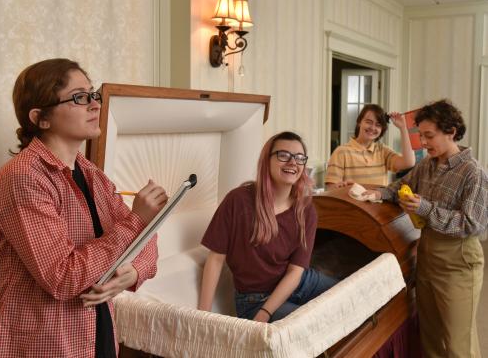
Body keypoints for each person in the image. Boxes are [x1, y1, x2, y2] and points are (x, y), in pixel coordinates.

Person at [0, 58, 168, 358]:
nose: (95, 105)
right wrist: (137, 219)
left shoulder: (92, 174)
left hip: (99, 332)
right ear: (41, 118)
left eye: (92, 94)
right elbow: (62, 276)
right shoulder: (23, 178)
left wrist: (133, 271)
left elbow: (146, 239)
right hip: (48, 344)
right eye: (79, 98)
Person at [364, 99, 487, 357]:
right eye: (421, 135)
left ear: (451, 131)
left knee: (457, 344)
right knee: (429, 338)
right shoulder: (427, 164)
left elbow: (472, 224)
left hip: (458, 263)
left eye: (429, 136)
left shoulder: (473, 172)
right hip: (428, 258)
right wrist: (378, 195)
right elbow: (401, 185)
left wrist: (425, 208)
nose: (423, 143)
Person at [198, 131, 338, 322]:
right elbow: (215, 259)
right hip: (254, 300)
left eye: (299, 158)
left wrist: (267, 313)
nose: (292, 162)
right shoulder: (238, 200)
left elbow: (295, 271)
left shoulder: (306, 209)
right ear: (267, 160)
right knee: (313, 324)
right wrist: (201, 316)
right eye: (283, 155)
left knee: (352, 295)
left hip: (299, 283)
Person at [325, 104, 415, 189]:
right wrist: (341, 187)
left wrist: (403, 128)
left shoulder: (383, 151)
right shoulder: (341, 152)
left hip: (379, 205)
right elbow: (330, 189)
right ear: (359, 122)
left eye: (378, 125)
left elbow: (409, 162)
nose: (372, 128)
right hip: (352, 205)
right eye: (369, 122)